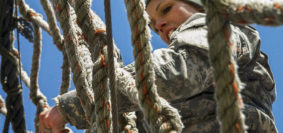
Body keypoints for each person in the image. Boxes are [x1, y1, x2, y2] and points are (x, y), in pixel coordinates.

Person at [39, 0, 278, 132]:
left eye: (166, 9)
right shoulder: (166, 108)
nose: (160, 24)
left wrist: (70, 108)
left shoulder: (219, 30)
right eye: (152, 25)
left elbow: (178, 71)